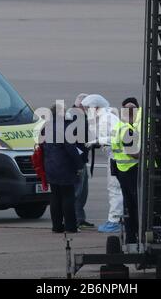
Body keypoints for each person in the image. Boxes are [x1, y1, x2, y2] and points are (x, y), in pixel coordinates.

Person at [81, 94, 124, 233]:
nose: (87, 111)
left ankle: (115, 220)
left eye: (88, 108)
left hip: (117, 158)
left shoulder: (107, 119)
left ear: (96, 107)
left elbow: (115, 138)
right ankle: (117, 219)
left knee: (115, 189)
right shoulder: (104, 118)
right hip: (115, 157)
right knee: (115, 189)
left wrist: (97, 141)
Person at [41, 103, 84, 233]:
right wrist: (79, 165)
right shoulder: (65, 128)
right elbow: (71, 149)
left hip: (50, 166)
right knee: (68, 196)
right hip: (64, 166)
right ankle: (71, 226)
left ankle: (57, 226)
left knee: (55, 196)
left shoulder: (46, 127)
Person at [111, 97, 140, 243]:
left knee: (128, 206)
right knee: (135, 205)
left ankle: (131, 236)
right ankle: (133, 235)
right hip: (130, 170)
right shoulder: (127, 130)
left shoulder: (119, 126)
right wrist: (146, 154)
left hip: (122, 169)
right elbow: (132, 152)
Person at [66, 93, 95, 229]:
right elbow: (72, 142)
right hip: (77, 161)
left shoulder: (77, 116)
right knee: (77, 192)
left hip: (80, 159)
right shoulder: (75, 117)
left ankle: (80, 218)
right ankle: (74, 219)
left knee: (82, 192)